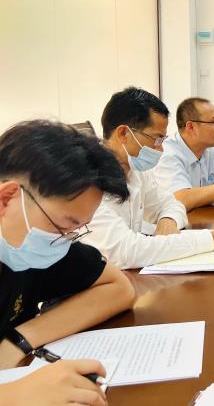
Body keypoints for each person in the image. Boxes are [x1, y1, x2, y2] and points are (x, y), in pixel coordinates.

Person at [0, 120, 135, 405]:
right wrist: (14, 395)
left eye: (76, 229)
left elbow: (119, 288)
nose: (65, 240)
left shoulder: (34, 246)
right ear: (7, 199)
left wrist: (18, 340)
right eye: (63, 226)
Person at [84, 87, 214, 270]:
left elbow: (171, 203)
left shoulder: (135, 170)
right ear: (123, 133)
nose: (161, 149)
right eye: (156, 139)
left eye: (163, 140)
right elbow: (125, 252)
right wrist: (212, 239)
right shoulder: (89, 182)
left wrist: (168, 219)